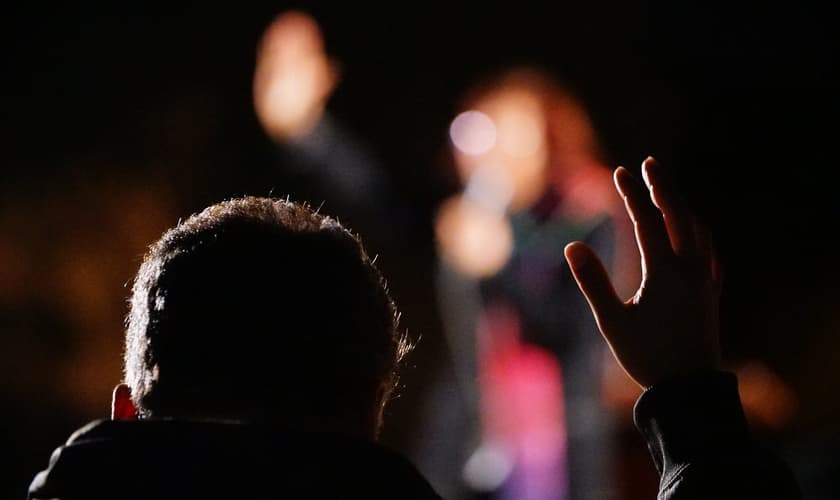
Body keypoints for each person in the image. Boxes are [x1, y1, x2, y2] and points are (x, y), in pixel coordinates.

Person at [28, 158, 801, 499]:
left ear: (128, 409)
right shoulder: (470, 228)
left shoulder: (568, 226)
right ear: (375, 407)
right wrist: (691, 397)